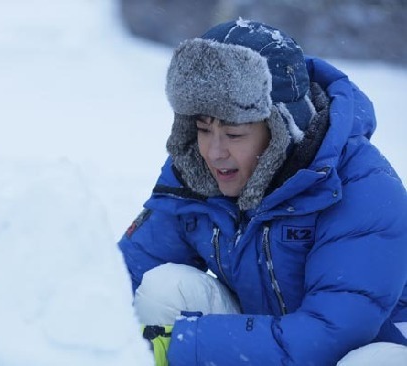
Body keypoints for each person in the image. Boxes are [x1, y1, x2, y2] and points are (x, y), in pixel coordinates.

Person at [118, 18, 407, 365]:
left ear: (281, 128)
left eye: (234, 134)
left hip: (364, 346)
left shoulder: (363, 189)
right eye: (202, 129)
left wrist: (177, 347)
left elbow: (331, 335)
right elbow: (121, 275)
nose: (214, 152)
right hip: (274, 340)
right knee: (163, 289)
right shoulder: (197, 172)